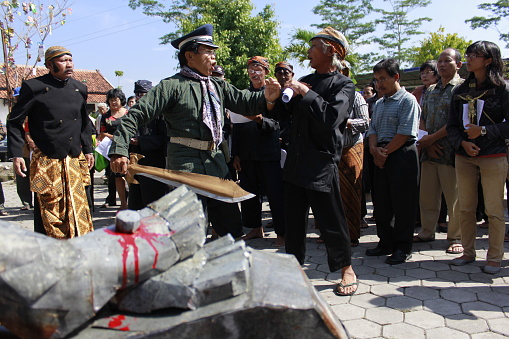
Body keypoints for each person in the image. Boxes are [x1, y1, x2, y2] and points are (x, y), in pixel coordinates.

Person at [108, 24, 281, 239]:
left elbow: (245, 102)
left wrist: (268, 97)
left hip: (217, 164)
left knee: (230, 228)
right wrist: (119, 149)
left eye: (213, 53)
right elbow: (135, 115)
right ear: (189, 56)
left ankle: (229, 269)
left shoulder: (217, 85)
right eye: (208, 52)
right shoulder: (171, 86)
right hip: (185, 166)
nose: (214, 58)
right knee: (188, 231)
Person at [276, 27, 357, 296]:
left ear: (330, 50)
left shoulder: (343, 85)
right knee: (294, 222)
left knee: (331, 219)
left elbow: (330, 119)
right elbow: (286, 116)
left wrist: (305, 93)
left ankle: (346, 268)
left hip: (321, 163)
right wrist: (278, 94)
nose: (308, 52)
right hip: (296, 161)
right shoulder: (306, 79)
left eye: (313, 47)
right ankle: (294, 270)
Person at [7, 46, 95, 239]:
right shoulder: (34, 87)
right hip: (47, 159)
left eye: (70, 60)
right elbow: (14, 122)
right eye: (63, 60)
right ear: (49, 64)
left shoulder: (80, 88)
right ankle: (50, 251)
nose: (69, 64)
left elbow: (83, 122)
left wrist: (88, 149)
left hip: (73, 159)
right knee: (50, 208)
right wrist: (15, 154)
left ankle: (79, 248)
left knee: (78, 205)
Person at [447, 41, 509, 274]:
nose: (469, 58)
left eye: (475, 55)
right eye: (469, 54)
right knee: (465, 207)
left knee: (493, 210)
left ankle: (494, 257)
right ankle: (468, 252)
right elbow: (452, 126)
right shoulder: (460, 90)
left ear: (489, 60)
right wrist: (462, 142)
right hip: (464, 155)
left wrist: (483, 132)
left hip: (493, 155)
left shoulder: (503, 89)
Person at [365, 58, 420, 265]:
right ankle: (385, 243)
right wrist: (373, 150)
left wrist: (383, 153)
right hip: (380, 155)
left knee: (403, 204)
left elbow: (405, 132)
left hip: (401, 154)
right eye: (376, 79)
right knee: (381, 203)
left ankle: (402, 248)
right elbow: (373, 129)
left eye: (383, 79)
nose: (379, 84)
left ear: (396, 77)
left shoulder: (408, 100)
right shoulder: (379, 103)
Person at [414, 49, 464, 255]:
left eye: (447, 61)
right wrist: (425, 141)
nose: (442, 65)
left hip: (450, 152)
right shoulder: (432, 90)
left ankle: (456, 237)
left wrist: (431, 140)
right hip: (429, 151)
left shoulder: (462, 88)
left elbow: (457, 122)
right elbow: (423, 116)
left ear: (458, 65)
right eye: (440, 61)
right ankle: (427, 231)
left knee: (454, 198)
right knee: (427, 195)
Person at [231, 56, 285, 247]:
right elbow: (235, 127)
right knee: (248, 194)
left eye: (258, 69)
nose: (254, 73)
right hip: (246, 154)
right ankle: (255, 228)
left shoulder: (273, 93)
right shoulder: (243, 95)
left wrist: (258, 119)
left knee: (275, 194)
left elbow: (278, 123)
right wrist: (235, 153)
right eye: (251, 70)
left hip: (268, 153)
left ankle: (282, 232)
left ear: (266, 72)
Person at [338, 66, 369, 247]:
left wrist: (346, 122)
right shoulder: (328, 97)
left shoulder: (356, 96)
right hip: (332, 150)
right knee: (333, 194)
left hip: (351, 147)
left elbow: (365, 122)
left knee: (351, 194)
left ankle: (352, 234)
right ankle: (333, 234)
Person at [127, 80, 168, 210]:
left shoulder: (160, 113)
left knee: (153, 202)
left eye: (143, 94)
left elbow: (165, 138)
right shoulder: (133, 113)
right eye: (138, 95)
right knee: (135, 201)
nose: (140, 98)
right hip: (135, 163)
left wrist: (142, 141)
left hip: (154, 164)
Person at [99, 88, 129, 210]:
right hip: (112, 150)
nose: (113, 103)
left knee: (130, 176)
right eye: (111, 100)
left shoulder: (128, 114)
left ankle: (133, 202)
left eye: (115, 100)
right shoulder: (105, 116)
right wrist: (115, 137)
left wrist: (113, 136)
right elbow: (102, 134)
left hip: (128, 149)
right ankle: (123, 203)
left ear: (121, 100)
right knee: (117, 177)